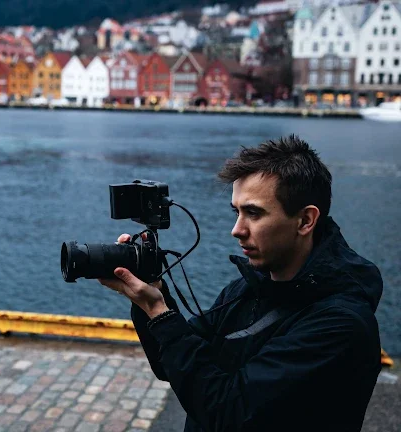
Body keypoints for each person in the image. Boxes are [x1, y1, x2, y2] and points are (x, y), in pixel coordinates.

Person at [99, 135, 383, 432]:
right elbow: (173, 365)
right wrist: (152, 295)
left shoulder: (340, 325)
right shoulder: (249, 287)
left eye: (254, 213)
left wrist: (159, 312)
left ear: (305, 221)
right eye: (237, 212)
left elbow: (229, 413)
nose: (236, 230)